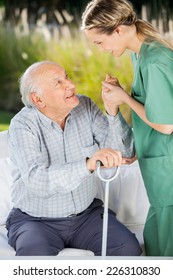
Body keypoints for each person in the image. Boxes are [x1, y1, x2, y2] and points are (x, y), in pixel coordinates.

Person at [6, 61, 141, 256]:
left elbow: (125, 154)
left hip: (87, 217)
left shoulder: (85, 106)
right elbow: (38, 180)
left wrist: (112, 109)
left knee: (128, 249)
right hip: (34, 220)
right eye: (58, 83)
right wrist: (87, 165)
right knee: (33, 261)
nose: (70, 85)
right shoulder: (22, 125)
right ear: (38, 99)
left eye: (66, 77)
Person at [81, 0, 173, 256]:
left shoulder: (155, 59)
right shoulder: (140, 53)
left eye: (100, 42)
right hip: (159, 168)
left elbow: (166, 124)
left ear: (119, 30)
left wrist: (123, 97)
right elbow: (155, 105)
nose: (101, 49)